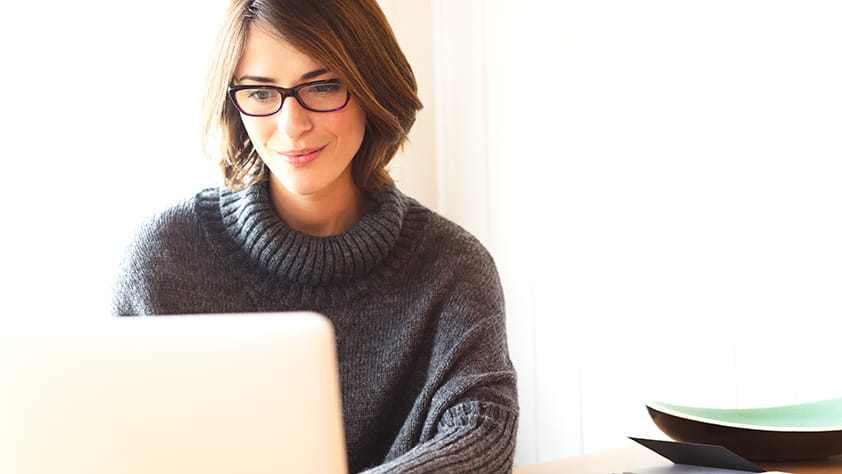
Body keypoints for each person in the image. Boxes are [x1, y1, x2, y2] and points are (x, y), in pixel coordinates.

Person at [111, 0, 518, 472]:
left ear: (373, 88)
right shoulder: (164, 258)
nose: (292, 125)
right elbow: (120, 439)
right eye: (261, 93)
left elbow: (483, 433)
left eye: (323, 87)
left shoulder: (453, 268)